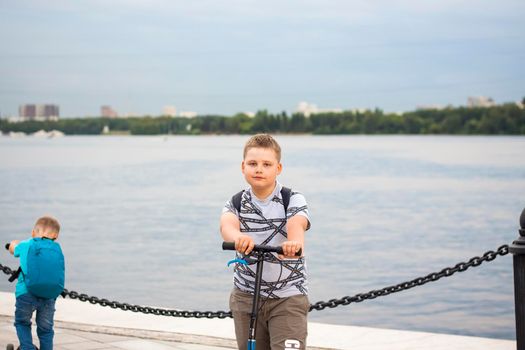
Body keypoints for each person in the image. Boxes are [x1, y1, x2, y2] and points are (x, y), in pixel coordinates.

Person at [220, 134, 311, 350]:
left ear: (278, 168)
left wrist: (293, 244)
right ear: (243, 167)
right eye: (252, 164)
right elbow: (227, 226)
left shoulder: (293, 198)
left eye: (266, 164)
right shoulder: (236, 202)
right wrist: (237, 237)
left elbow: (297, 225)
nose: (259, 169)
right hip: (246, 296)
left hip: (288, 296)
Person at [7, 216, 64, 350]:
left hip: (26, 294)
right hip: (49, 296)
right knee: (46, 329)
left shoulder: (27, 244)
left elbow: (13, 249)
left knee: (22, 323)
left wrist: (12, 244)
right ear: (56, 236)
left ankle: (27, 348)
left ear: (33, 233)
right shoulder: (57, 249)